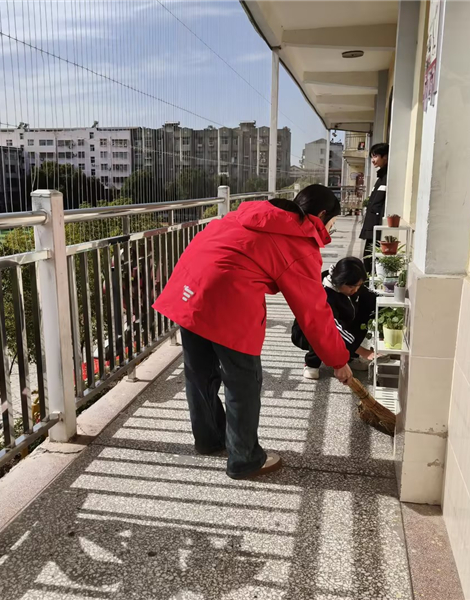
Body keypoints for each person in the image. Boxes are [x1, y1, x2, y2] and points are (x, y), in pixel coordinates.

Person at [153, 185, 353, 480]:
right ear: (322, 215)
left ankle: (209, 440)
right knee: (243, 383)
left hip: (189, 291)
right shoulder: (298, 240)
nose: (329, 230)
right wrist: (338, 359)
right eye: (331, 223)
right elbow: (313, 312)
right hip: (228, 301)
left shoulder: (246, 214)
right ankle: (245, 459)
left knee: (200, 374)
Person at [290, 257, 377, 379]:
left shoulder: (345, 282)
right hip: (306, 332)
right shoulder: (324, 295)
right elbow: (331, 328)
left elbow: (368, 296)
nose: (356, 290)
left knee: (366, 305)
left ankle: (349, 356)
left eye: (358, 285)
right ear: (340, 281)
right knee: (321, 330)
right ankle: (312, 363)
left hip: (338, 322)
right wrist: (364, 352)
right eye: (352, 287)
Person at [360, 143, 389, 272]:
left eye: (375, 156)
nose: (373, 160)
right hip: (372, 226)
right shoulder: (381, 177)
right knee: (368, 259)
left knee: (371, 261)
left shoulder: (387, 177)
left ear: (385, 157)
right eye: (372, 157)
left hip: (377, 227)